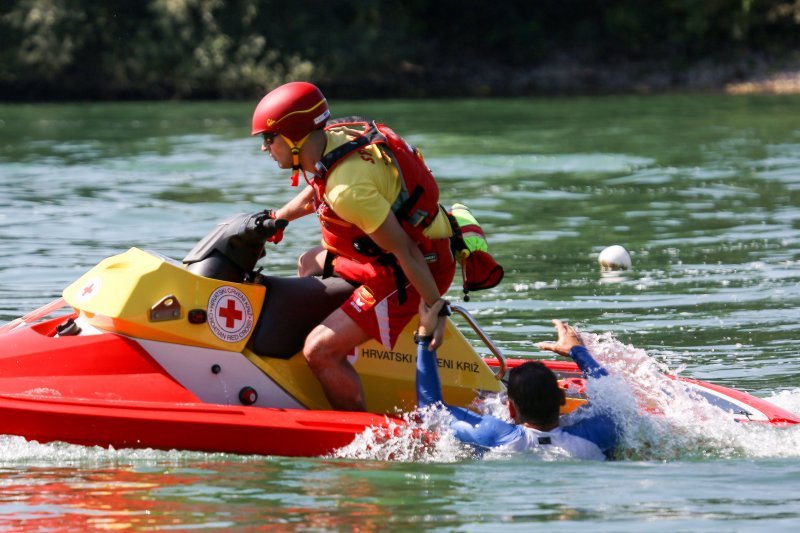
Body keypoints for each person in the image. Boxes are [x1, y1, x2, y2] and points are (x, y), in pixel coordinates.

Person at [251, 81, 456, 411]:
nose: (265, 148)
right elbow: (320, 185)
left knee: (316, 351)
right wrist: (279, 218)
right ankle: (340, 346)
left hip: (410, 272)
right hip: (384, 256)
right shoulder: (331, 139)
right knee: (308, 262)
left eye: (268, 138)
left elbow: (406, 251)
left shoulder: (348, 191)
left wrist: (435, 309)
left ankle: (348, 410)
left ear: (291, 138)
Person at [415, 300, 619, 460]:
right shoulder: (596, 434)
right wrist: (577, 350)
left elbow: (431, 409)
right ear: (562, 398)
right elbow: (615, 401)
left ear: (511, 409)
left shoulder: (493, 436)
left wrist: (424, 338)